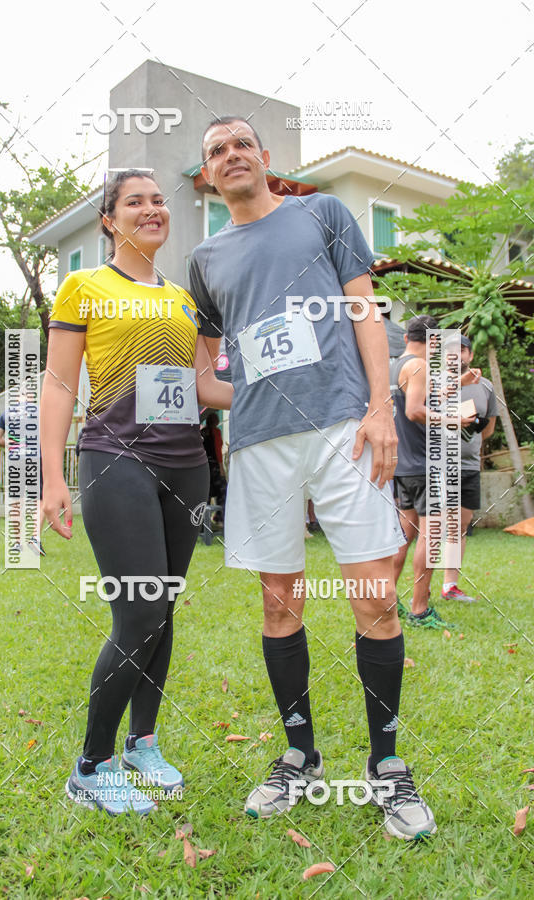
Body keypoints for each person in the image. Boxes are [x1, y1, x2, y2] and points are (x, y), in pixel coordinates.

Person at [189, 117, 435, 840]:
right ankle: (300, 756)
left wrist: (381, 405)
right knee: (278, 609)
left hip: (342, 429)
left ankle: (386, 766)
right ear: (207, 176)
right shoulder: (205, 257)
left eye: (241, 144)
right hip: (261, 446)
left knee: (375, 603)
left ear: (265, 159)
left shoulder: (320, 212)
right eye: (216, 152)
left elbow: (364, 308)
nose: (231, 156)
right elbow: (206, 375)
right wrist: (254, 391)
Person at [41, 169, 232, 816]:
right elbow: (59, 384)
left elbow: (207, 385)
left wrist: (287, 390)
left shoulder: (184, 298)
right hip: (114, 460)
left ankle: (142, 743)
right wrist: (50, 474)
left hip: (187, 466)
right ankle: (89, 768)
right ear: (109, 219)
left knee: (165, 607)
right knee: (141, 611)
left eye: (158, 200)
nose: (151, 209)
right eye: (135, 202)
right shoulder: (83, 287)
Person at [390, 317, 476, 627]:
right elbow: (415, 410)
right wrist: (453, 421)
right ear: (434, 342)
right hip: (425, 464)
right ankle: (419, 609)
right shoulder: (421, 366)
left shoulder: (395, 365)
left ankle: (388, 604)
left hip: (403, 465)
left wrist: (459, 384)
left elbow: (417, 400)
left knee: (403, 536)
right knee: (432, 535)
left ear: (405, 337)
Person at [441, 335, 497, 602]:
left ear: (470, 355)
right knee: (426, 528)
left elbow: (489, 428)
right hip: (438, 465)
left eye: (461, 351)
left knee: (459, 527)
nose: (457, 355)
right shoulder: (435, 384)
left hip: (469, 466)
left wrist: (470, 442)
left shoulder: (485, 386)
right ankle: (413, 589)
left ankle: (449, 585)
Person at [0, 402, 46, 556]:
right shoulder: (41, 411)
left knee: (17, 500)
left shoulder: (7, 412)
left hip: (16, 459)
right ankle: (34, 538)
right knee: (40, 499)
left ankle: (17, 543)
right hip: (36, 458)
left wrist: (13, 446)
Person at [201, 411, 226, 521]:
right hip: (214, 466)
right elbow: (217, 450)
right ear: (215, 421)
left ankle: (201, 522)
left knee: (205, 493)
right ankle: (219, 517)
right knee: (223, 491)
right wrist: (221, 468)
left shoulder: (202, 432)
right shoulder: (216, 432)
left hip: (204, 466)